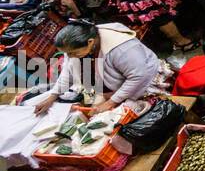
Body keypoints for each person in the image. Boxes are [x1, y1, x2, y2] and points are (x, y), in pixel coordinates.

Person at [30, 20, 162, 116]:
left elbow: (139, 76)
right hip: (112, 85)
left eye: (73, 53)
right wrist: (51, 97)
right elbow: (67, 72)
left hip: (145, 81)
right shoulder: (77, 47)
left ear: (90, 42)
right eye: (68, 53)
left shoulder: (122, 49)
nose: (70, 57)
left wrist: (110, 103)